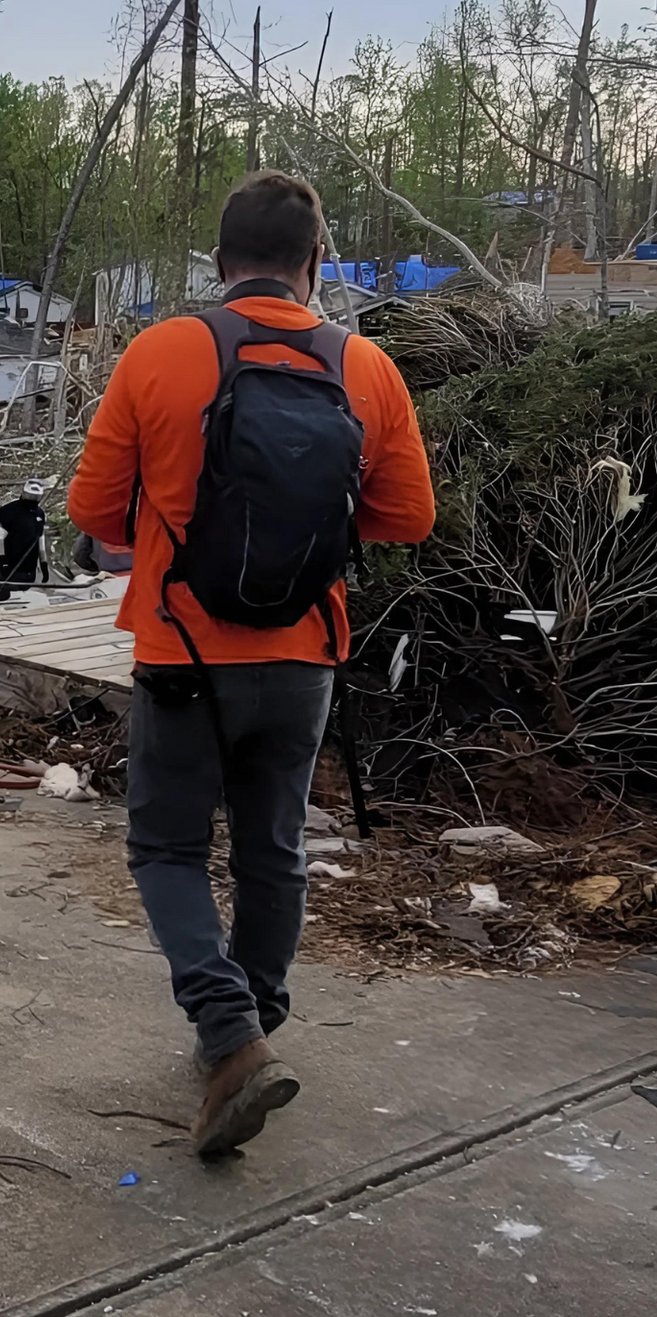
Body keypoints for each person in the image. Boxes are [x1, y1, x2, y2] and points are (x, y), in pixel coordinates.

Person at [68, 171, 434, 1158]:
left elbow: (92, 511)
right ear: (314, 265)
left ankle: (231, 1037)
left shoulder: (161, 353)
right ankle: (256, 1018)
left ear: (221, 262)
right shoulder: (367, 369)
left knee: (168, 850)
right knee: (273, 849)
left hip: (183, 652)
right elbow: (409, 518)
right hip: (306, 655)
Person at [0, 479, 49, 591]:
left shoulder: (39, 513)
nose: (33, 500)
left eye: (36, 497)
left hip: (29, 569)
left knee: (24, 597)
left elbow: (40, 538)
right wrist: (1, 559)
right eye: (31, 496)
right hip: (9, 567)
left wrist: (44, 563)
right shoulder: (8, 511)